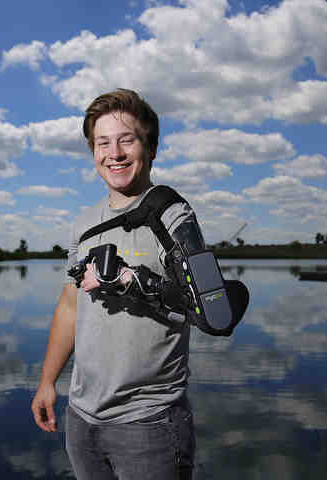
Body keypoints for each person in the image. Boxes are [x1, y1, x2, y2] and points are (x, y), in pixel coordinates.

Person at [31, 89, 198, 479]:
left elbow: (208, 308)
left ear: (151, 148)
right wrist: (46, 382)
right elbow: (71, 307)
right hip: (82, 419)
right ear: (93, 153)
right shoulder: (85, 224)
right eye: (103, 143)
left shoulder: (173, 215)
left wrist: (129, 279)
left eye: (127, 140)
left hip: (149, 424)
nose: (115, 153)